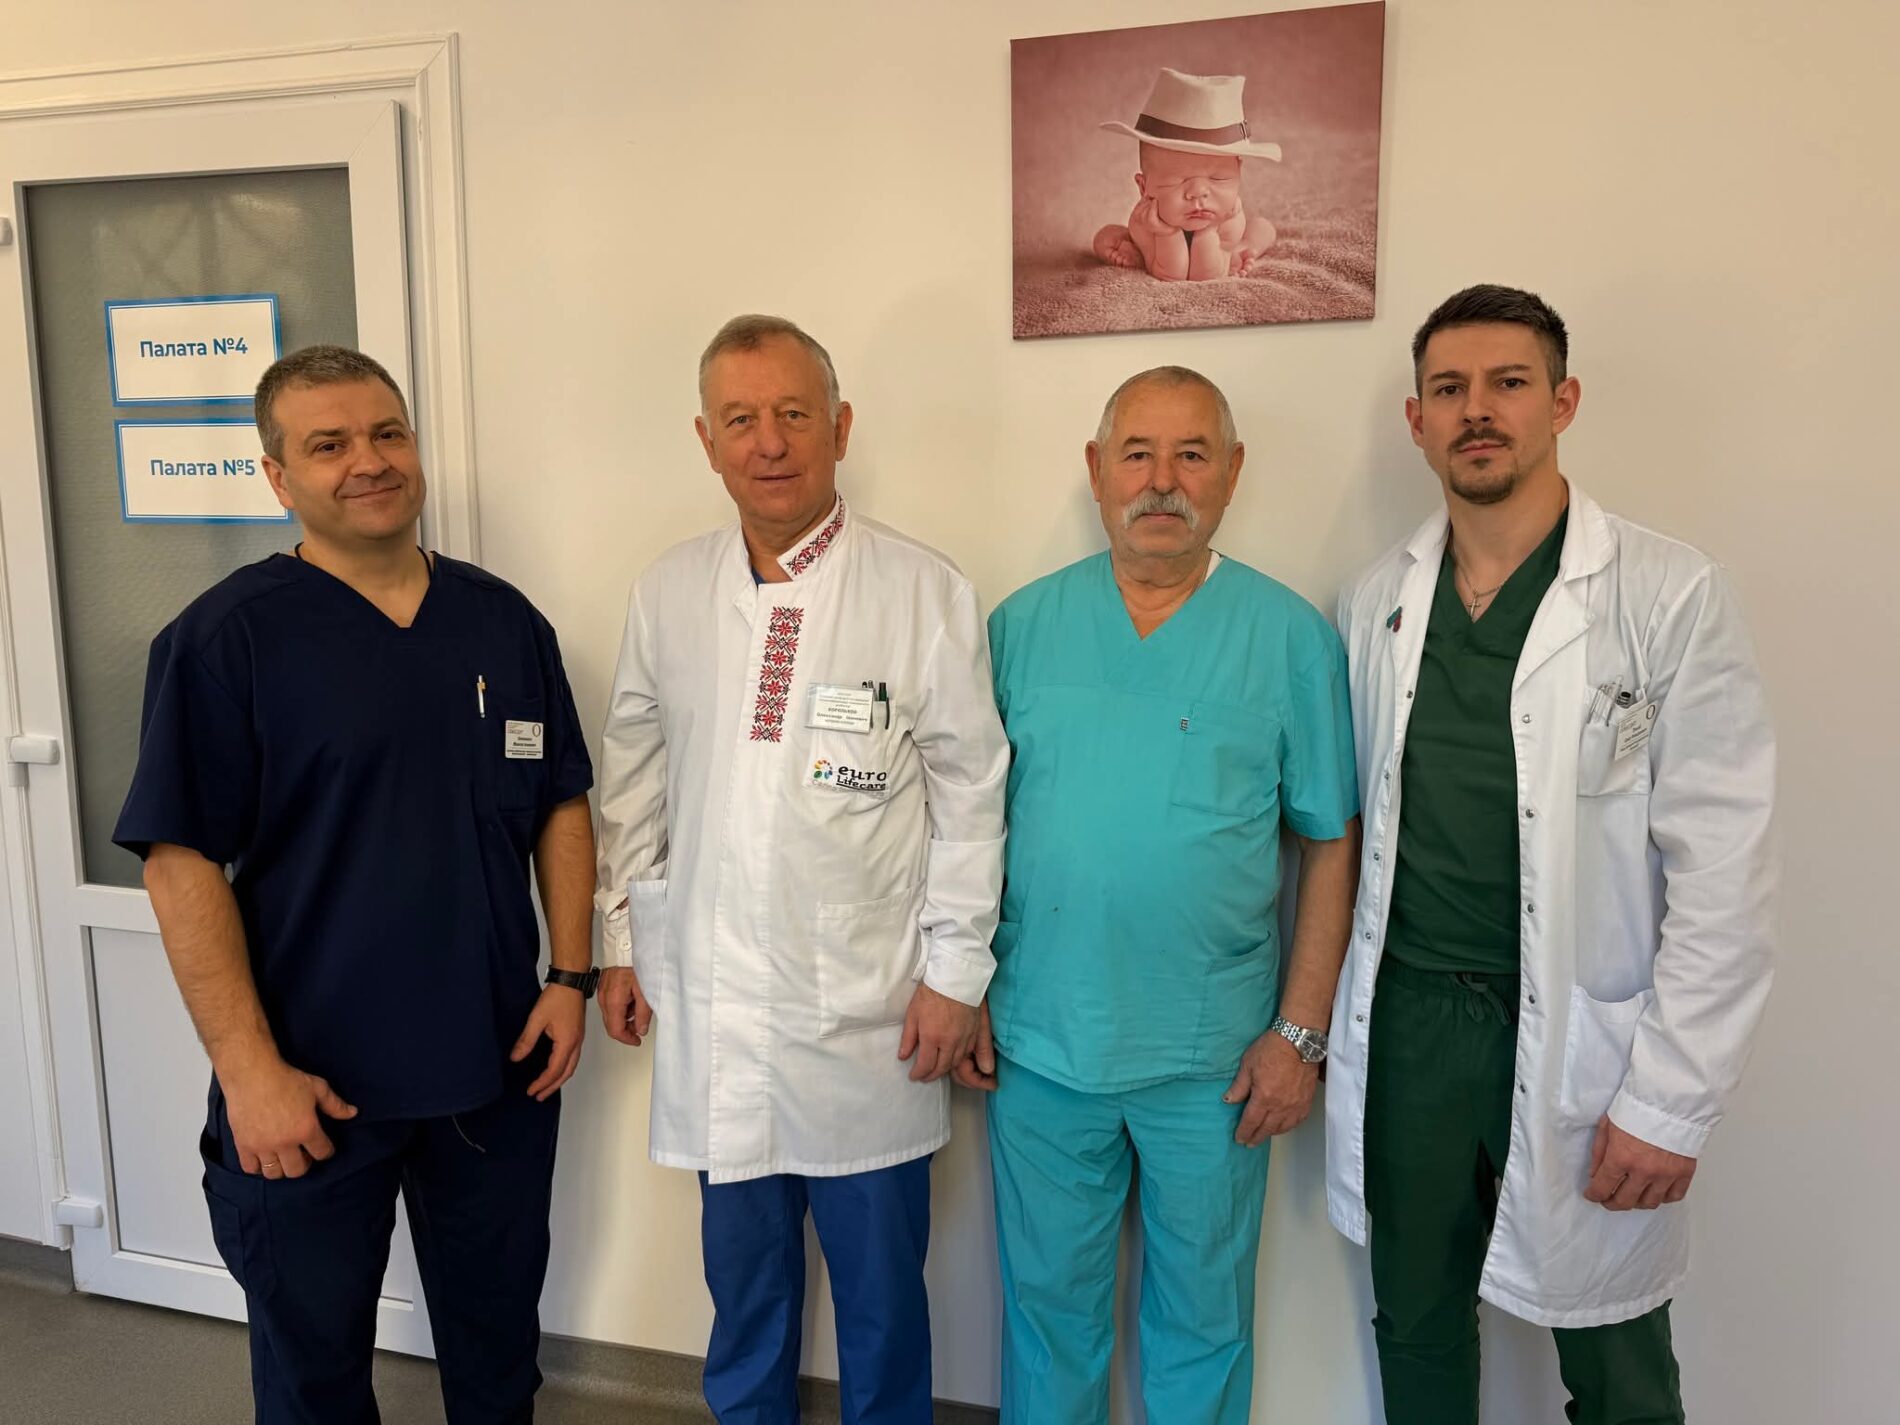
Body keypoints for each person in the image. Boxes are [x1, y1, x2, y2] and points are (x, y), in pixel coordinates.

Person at [114, 345, 597, 1424]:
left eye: (387, 433)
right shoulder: (228, 639)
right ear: (278, 477)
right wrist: (248, 1072)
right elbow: (179, 862)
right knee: (314, 1374)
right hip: (309, 1086)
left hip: (494, 1070)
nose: (368, 462)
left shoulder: (503, 623)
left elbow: (561, 802)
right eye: (328, 444)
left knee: (498, 1357)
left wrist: (570, 976)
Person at [1327, 285, 1777, 1424]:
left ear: (1562, 402)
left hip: (1587, 1029)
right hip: (1411, 1026)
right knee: (1416, 1324)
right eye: (1449, 389)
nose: (1477, 411)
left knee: (1618, 1359)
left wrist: (1671, 1102)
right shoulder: (1376, 601)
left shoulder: (1667, 595)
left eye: (1508, 384)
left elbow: (1725, 878)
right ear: (1417, 421)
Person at [593, 315, 1007, 1424]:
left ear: (840, 426)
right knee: (745, 1296)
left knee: (883, 1304)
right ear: (706, 439)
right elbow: (632, 778)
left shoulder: (920, 590)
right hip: (719, 1013)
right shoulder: (669, 590)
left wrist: (956, 976)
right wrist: (621, 943)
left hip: (869, 1020)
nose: (768, 442)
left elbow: (973, 795)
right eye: (741, 419)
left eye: (792, 413)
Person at [982, 366, 1360, 1424]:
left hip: (1216, 1062)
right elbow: (964, 829)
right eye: (1136, 454)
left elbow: (1331, 844)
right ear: (1095, 469)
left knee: (1203, 1323)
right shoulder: (1021, 628)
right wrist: (963, 988)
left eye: (1191, 455)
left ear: (1231, 473)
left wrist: (1300, 1034)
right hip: (1041, 1045)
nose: (1162, 481)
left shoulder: (1288, 638)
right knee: (1046, 1314)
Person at [1093, 68, 1281, 280]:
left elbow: (1206, 274)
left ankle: (1246, 248)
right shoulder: (1145, 223)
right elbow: (1173, 274)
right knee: (1105, 237)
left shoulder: (1230, 217)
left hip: (1219, 244)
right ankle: (1137, 253)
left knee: (1263, 227)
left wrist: (1210, 230)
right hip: (1158, 249)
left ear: (1238, 175)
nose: (1198, 192)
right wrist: (1166, 233)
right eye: (1176, 181)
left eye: (1218, 178)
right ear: (1144, 187)